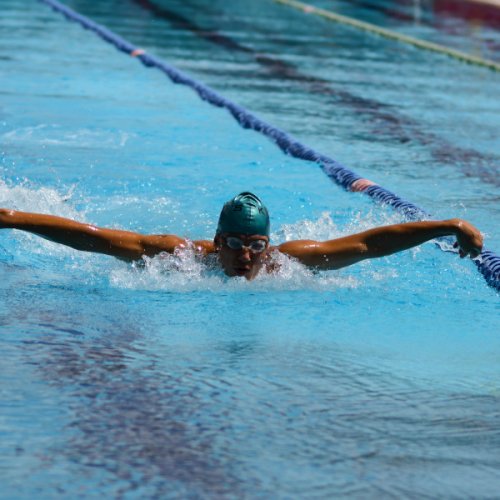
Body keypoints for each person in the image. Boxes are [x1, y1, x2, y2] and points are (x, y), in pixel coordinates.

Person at [0, 192, 483, 280]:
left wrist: (448, 224)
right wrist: (15, 217)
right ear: (216, 240)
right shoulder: (181, 257)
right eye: (232, 243)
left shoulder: (287, 263)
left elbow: (367, 244)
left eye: (254, 245)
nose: (243, 256)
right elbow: (95, 238)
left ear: (267, 245)